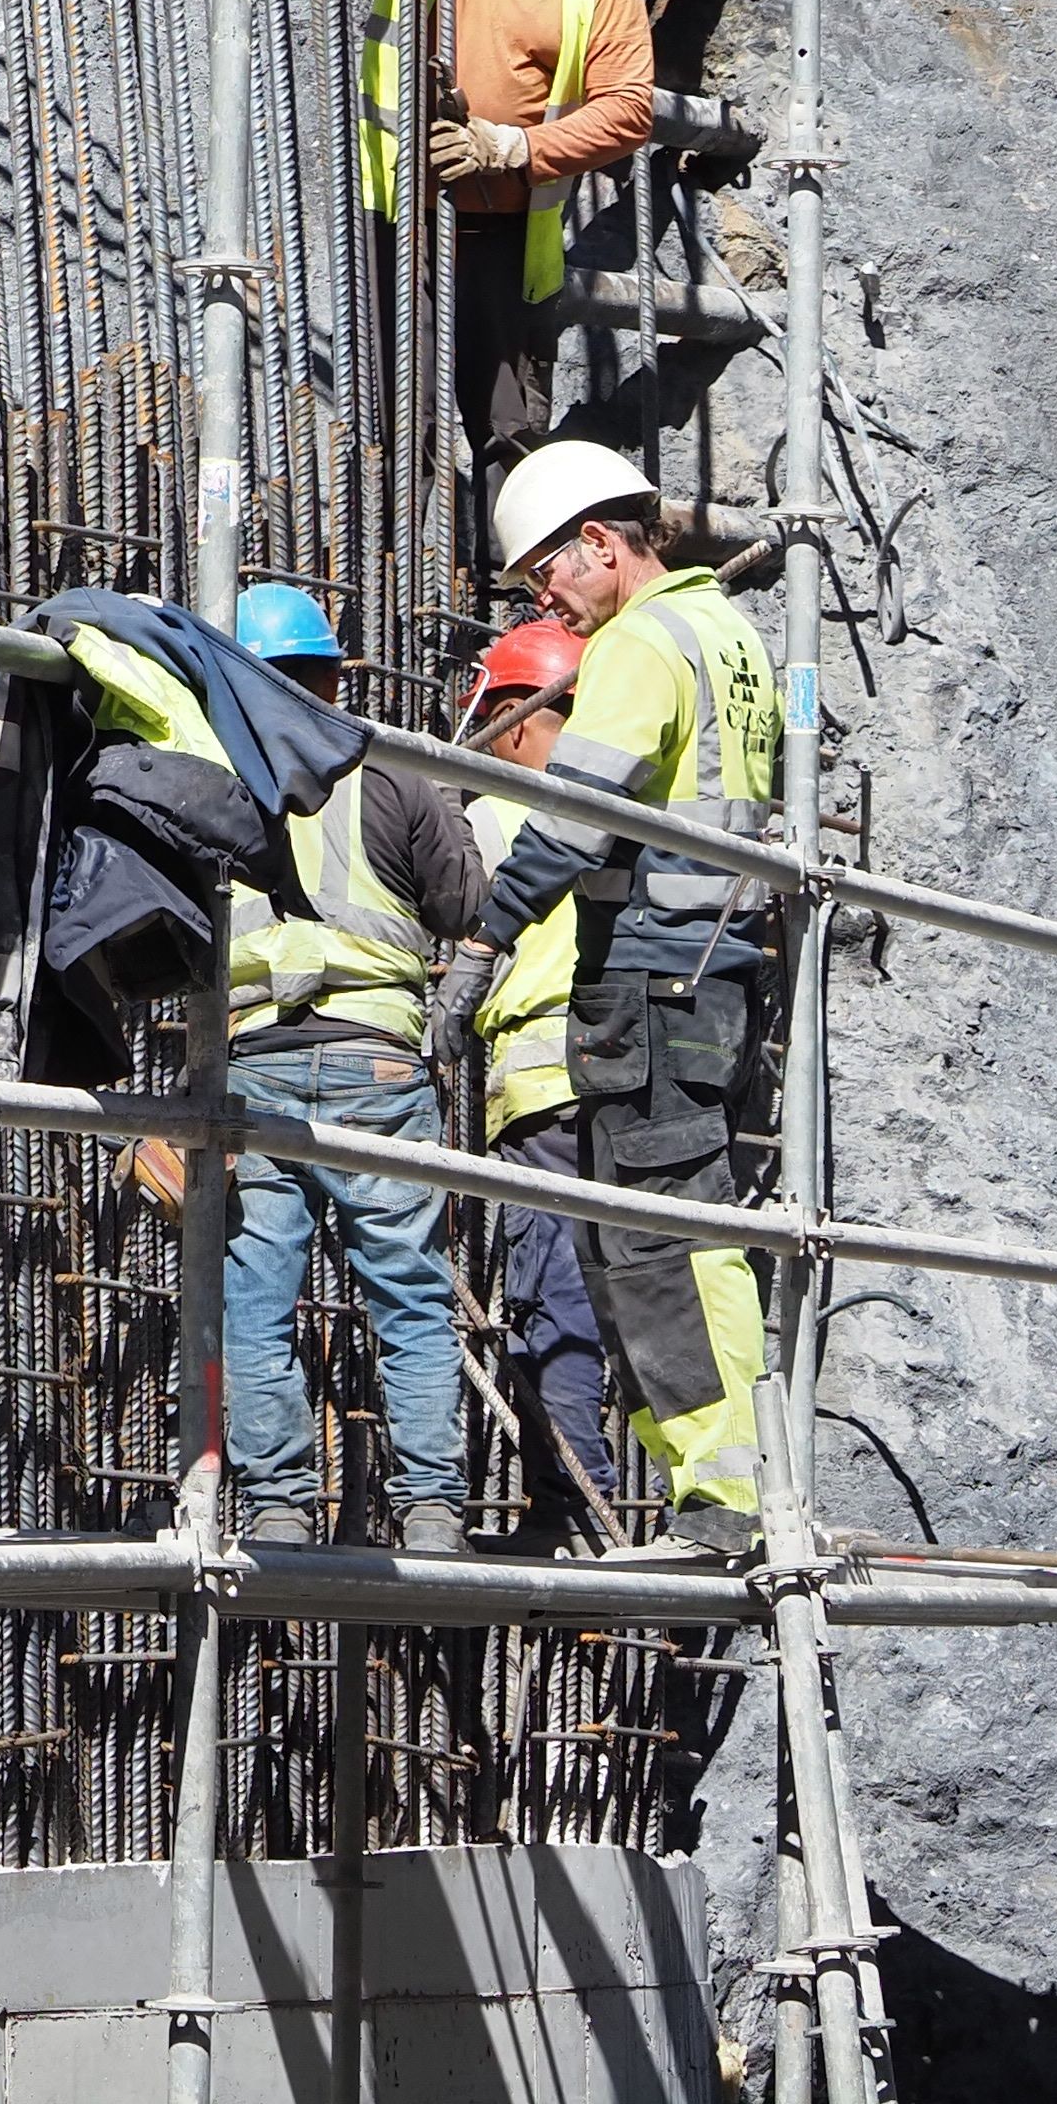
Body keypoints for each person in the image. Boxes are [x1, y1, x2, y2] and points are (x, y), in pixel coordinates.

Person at [423, 442, 777, 1554]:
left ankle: (724, 1495)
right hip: (715, 963)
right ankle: (723, 1486)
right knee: (681, 1231)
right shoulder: (731, 634)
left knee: (662, 1242)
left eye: (549, 575)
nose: (547, 601)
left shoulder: (637, 645)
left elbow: (574, 816)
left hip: (657, 976)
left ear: (602, 544)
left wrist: (486, 932)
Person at [215, 579, 485, 1558]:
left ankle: (278, 1511)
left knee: (256, 1299)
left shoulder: (207, 775)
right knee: (410, 1297)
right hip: (376, 1064)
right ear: (334, 676)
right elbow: (465, 906)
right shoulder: (397, 779)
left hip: (253, 1064)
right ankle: (432, 1514)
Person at [334, 0, 658, 488]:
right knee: (390, 432)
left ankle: (503, 591)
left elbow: (630, 109)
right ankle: (400, 576)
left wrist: (512, 147)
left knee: (513, 446)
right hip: (399, 224)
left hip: (508, 248)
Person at [448, 614, 619, 1528]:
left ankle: (571, 1516)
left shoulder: (490, 814)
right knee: (640, 1285)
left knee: (553, 1298)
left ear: (515, 719)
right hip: (633, 1079)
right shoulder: (621, 814)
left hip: (546, 1086)